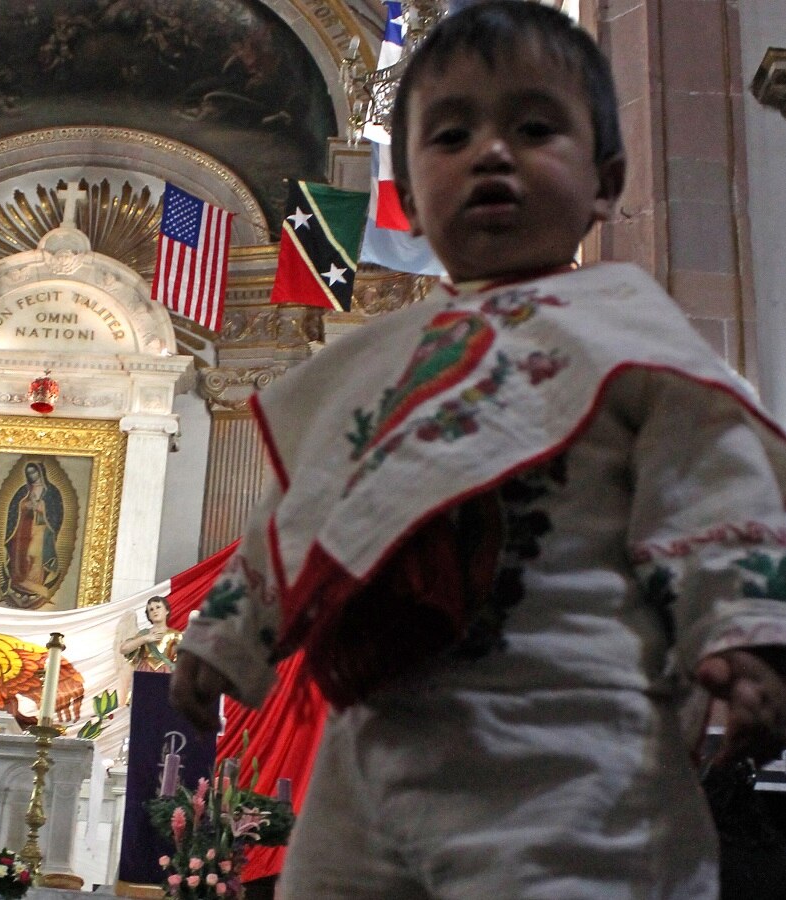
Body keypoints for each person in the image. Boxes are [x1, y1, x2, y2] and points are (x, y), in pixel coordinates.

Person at [170, 3, 786, 897]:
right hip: (377, 736)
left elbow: (712, 491)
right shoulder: (380, 358)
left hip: (574, 736)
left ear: (606, 178)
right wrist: (226, 633)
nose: (491, 153)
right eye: (451, 135)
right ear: (411, 200)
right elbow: (303, 504)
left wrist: (746, 637)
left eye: (534, 128)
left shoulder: (635, 340)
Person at [0, 460, 65, 609]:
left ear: (40, 472)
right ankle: (21, 584)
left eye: (34, 472)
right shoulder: (24, 491)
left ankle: (36, 585)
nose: (31, 475)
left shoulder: (51, 492)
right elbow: (13, 510)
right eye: (28, 473)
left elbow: (56, 515)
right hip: (23, 530)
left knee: (35, 557)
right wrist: (25, 506)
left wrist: (41, 509)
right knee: (23, 556)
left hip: (41, 531)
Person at [119, 596, 183, 674]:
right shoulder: (144, 634)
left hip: (166, 673)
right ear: (148, 615)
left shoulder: (176, 635)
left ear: (167, 611)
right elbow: (123, 649)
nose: (155, 611)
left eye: (158, 607)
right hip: (145, 672)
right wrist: (145, 639)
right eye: (151, 609)